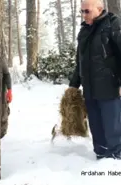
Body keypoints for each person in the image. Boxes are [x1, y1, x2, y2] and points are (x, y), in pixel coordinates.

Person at [69, 0, 121, 160]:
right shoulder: (84, 31)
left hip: (110, 86)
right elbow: (80, 61)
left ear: (100, 9)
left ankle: (115, 156)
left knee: (112, 125)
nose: (84, 15)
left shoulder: (113, 24)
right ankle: (100, 153)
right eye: (82, 11)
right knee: (95, 124)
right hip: (90, 88)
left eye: (87, 11)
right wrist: (73, 85)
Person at [1, 61, 12, 138]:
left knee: (3, 115)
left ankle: (2, 133)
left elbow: (7, 74)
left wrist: (9, 90)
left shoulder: (1, 59)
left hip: (2, 95)